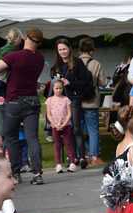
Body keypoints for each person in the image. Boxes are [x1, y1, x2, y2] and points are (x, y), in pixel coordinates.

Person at [0, 28, 45, 185]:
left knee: (11, 137)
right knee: (32, 137)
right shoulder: (40, 59)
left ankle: (16, 173)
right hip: (32, 101)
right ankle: (37, 173)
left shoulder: (14, 56)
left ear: (26, 37)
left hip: (14, 101)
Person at [50, 39, 91, 170]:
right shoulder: (57, 65)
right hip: (60, 102)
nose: (62, 52)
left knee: (76, 128)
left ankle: (82, 156)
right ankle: (71, 157)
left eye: (64, 49)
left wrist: (70, 83)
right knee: (64, 130)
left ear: (69, 49)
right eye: (60, 49)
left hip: (74, 98)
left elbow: (86, 81)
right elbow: (53, 80)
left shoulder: (77, 62)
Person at [79, 37, 107, 167]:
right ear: (92, 50)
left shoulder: (75, 62)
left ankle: (83, 155)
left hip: (77, 102)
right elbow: (103, 82)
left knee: (80, 129)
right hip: (92, 101)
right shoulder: (96, 63)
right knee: (93, 130)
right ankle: (94, 156)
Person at [46, 80, 77, 173]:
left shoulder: (66, 99)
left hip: (66, 125)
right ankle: (58, 164)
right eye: (56, 88)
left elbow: (69, 113)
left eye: (60, 88)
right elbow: (48, 114)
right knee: (57, 145)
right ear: (53, 89)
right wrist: (55, 124)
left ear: (63, 89)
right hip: (55, 126)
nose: (58, 90)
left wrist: (64, 123)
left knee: (68, 143)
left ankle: (72, 162)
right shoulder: (49, 100)